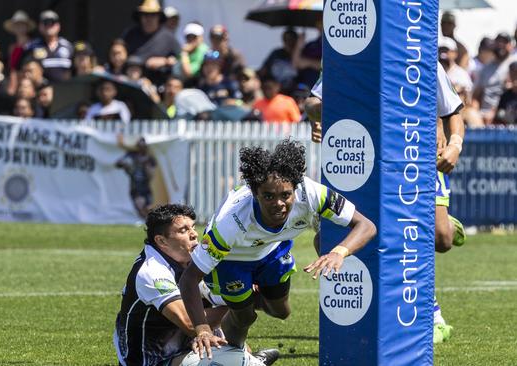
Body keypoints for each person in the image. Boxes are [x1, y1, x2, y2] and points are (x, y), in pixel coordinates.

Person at [305, 62, 467, 343]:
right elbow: (313, 101)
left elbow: (452, 110)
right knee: (331, 238)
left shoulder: (421, 56)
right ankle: (426, 316)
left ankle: (447, 225)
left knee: (441, 238)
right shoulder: (346, 56)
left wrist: (455, 145)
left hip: (417, 159)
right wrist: (317, 117)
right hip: (364, 161)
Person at [179, 139, 377, 358]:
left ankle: (237, 297)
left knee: (281, 312)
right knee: (244, 317)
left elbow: (366, 226)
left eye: (286, 195)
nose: (279, 203)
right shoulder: (230, 223)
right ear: (255, 192)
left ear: (295, 188)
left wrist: (338, 252)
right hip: (231, 259)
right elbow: (188, 279)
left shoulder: (312, 193)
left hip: (273, 250)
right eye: (269, 196)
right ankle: (236, 358)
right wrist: (202, 329)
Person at [113, 204, 279, 366]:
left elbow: (218, 299)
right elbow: (190, 322)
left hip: (184, 344)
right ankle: (250, 361)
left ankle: (246, 358)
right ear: (161, 241)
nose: (194, 234)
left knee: (234, 341)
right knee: (231, 353)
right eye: (183, 230)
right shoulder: (152, 271)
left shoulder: (193, 259)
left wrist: (250, 291)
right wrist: (242, 300)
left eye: (193, 227)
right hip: (152, 359)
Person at [121, 0, 180, 87]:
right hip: (130, 82)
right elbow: (119, 53)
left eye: (153, 15)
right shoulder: (130, 34)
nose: (149, 19)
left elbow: (179, 60)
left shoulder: (169, 37)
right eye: (145, 15)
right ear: (140, 17)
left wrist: (165, 61)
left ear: (159, 17)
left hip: (158, 84)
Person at [473, 32, 517, 124]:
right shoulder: (485, 68)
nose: (501, 45)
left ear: (511, 45)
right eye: (498, 42)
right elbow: (476, 96)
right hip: (484, 115)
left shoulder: (514, 63)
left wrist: (494, 112)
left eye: (505, 42)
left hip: (507, 111)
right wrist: (476, 112)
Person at [24, 10, 73, 83]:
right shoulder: (31, 47)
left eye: (52, 23)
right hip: (41, 91)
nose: (48, 26)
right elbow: (24, 71)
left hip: (65, 91)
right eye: (45, 23)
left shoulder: (68, 46)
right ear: (40, 26)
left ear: (58, 26)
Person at [4, 10, 35, 95]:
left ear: (27, 27)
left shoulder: (33, 45)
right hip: (14, 83)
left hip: (27, 81)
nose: (19, 27)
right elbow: (11, 68)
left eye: (22, 25)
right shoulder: (12, 47)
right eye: (17, 25)